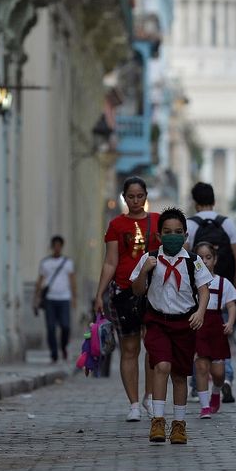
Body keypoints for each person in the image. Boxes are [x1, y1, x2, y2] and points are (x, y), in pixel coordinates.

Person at [131, 207, 212, 444]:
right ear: (159, 236)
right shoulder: (149, 259)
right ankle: (158, 420)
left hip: (184, 323)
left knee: (179, 374)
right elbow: (137, 290)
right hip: (157, 321)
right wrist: (143, 273)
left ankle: (179, 424)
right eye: (167, 232)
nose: (173, 236)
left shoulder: (194, 261)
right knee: (162, 366)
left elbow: (204, 290)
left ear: (186, 235)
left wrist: (200, 312)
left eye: (178, 232)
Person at [93, 177, 161, 422]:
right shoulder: (116, 225)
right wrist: (99, 293)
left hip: (154, 292)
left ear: (145, 196)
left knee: (153, 347)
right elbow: (111, 261)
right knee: (130, 349)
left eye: (140, 196)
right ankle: (133, 404)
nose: (135, 201)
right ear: (124, 197)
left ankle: (150, 396)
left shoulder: (158, 221)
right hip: (124, 291)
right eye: (130, 196)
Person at [185, 182, 236, 403]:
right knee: (222, 338)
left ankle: (195, 386)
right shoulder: (227, 223)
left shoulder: (189, 224)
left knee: (195, 339)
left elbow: (186, 259)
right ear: (214, 200)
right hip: (222, 288)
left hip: (197, 293)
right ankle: (226, 379)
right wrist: (232, 286)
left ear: (195, 202)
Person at [192, 242, 236, 419]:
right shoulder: (192, 282)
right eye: (200, 258)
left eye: (208, 257)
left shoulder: (222, 283)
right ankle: (205, 406)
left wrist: (230, 322)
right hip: (198, 327)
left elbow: (231, 305)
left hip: (216, 329)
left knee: (218, 373)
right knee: (201, 366)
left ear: (215, 259)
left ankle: (216, 391)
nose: (204, 261)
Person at [34, 236, 77, 363]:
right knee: (51, 327)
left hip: (64, 298)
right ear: (52, 247)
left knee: (65, 326)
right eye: (55, 245)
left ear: (62, 247)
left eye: (59, 245)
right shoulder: (45, 263)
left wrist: (74, 297)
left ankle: (63, 347)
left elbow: (72, 280)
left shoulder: (68, 263)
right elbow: (40, 280)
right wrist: (36, 297)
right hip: (50, 299)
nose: (57, 248)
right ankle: (54, 352)